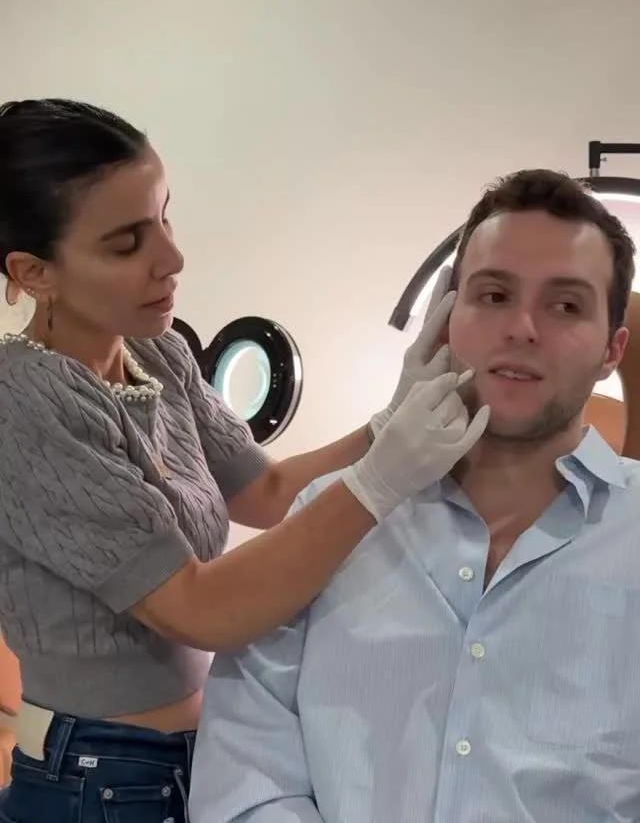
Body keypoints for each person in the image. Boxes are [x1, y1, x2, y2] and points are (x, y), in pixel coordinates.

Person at [0, 98, 488, 823]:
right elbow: (200, 609)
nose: (172, 259)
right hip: (97, 776)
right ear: (34, 272)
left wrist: (388, 422)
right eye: (127, 244)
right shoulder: (24, 401)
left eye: (164, 218)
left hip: (198, 754)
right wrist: (380, 481)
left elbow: (266, 489)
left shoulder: (156, 352)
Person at [191, 167, 640, 823]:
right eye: (493, 295)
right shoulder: (328, 520)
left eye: (565, 305)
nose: (523, 327)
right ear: (443, 321)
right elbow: (243, 778)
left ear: (612, 350)